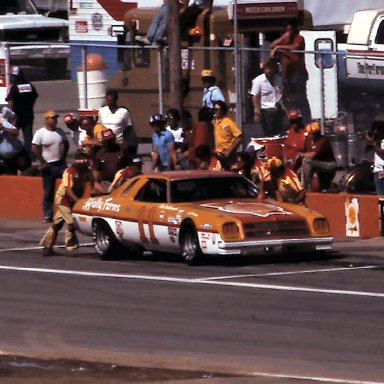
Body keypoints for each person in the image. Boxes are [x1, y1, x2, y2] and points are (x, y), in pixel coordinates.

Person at [40, 152, 93, 257]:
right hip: (63, 199)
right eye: (85, 162)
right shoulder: (70, 172)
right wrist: (78, 201)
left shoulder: (86, 171)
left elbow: (93, 182)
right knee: (71, 223)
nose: (87, 164)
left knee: (57, 224)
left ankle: (47, 247)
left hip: (72, 200)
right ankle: (70, 246)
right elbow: (68, 190)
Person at [270, 20, 312, 125]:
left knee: (300, 98)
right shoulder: (285, 39)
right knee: (290, 99)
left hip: (298, 73)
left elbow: (295, 47)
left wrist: (279, 47)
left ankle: (307, 122)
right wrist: (282, 38)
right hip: (286, 74)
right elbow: (272, 45)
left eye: (291, 29)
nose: (289, 32)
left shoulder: (299, 38)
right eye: (287, 29)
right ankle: (296, 122)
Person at [32, 110, 69, 223]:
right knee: (48, 191)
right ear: (46, 119)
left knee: (67, 187)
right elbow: (34, 148)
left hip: (60, 163)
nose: (55, 120)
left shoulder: (60, 132)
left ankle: (66, 213)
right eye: (52, 118)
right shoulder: (40, 133)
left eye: (55, 118)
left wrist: (63, 157)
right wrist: (43, 161)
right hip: (48, 165)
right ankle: (48, 215)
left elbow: (66, 144)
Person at [6, 66, 39, 158]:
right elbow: (34, 97)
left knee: (11, 136)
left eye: (12, 76)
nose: (11, 77)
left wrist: (9, 116)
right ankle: (30, 157)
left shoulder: (14, 87)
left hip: (16, 117)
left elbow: (10, 102)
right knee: (28, 138)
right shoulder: (30, 85)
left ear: (16, 76)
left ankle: (13, 155)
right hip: (28, 115)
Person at [250, 59, 286, 136]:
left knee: (281, 132)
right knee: (269, 133)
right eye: (267, 69)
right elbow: (255, 97)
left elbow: (282, 93)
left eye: (270, 68)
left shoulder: (278, 79)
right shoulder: (258, 80)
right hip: (266, 111)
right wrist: (257, 112)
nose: (269, 71)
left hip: (277, 109)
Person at [98, 90, 138, 157]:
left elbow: (128, 128)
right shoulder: (102, 111)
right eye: (108, 100)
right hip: (105, 144)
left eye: (112, 101)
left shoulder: (124, 112)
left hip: (118, 144)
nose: (110, 103)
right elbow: (99, 125)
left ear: (116, 100)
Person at [299, 121, 338, 191]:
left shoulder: (323, 140)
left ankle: (307, 187)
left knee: (307, 161)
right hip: (316, 163)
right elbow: (304, 153)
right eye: (313, 133)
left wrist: (299, 154)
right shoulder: (308, 141)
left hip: (328, 164)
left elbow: (312, 155)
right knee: (302, 167)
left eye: (317, 133)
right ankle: (301, 187)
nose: (315, 135)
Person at [93, 128, 125, 193]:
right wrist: (104, 192)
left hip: (122, 181)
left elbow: (131, 168)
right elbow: (94, 179)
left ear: (114, 138)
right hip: (106, 182)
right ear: (103, 142)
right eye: (107, 141)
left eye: (111, 140)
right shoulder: (99, 155)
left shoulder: (123, 150)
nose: (110, 143)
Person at [0, 107, 31, 175]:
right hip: (7, 158)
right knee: (11, 179)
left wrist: (3, 128)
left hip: (18, 154)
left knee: (28, 174)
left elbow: (16, 132)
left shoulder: (2, 120)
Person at [213, 100, 242, 170]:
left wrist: (229, 151)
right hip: (218, 155)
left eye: (217, 109)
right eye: (214, 109)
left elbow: (239, 137)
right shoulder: (215, 123)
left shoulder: (228, 122)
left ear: (222, 110)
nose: (215, 111)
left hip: (228, 155)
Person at [371, 121, 384, 195]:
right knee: (379, 196)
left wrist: (374, 146)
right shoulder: (377, 142)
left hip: (383, 170)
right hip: (377, 171)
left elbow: (382, 152)